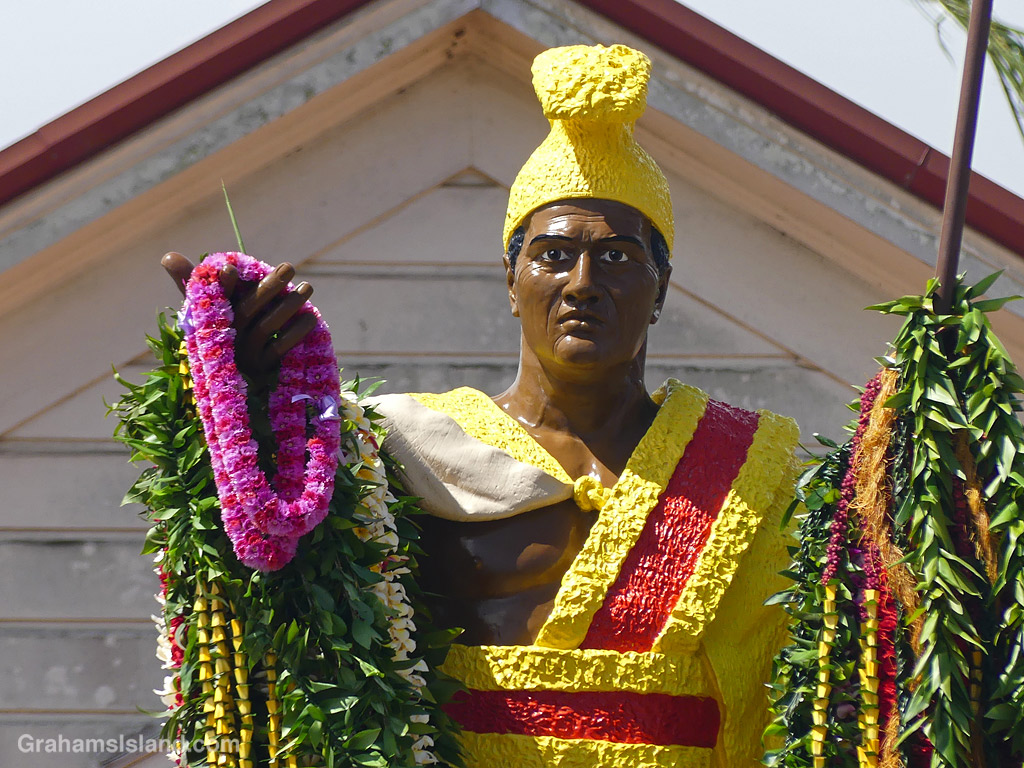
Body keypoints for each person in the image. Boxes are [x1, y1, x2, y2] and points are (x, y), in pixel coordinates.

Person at [164, 43, 800, 768]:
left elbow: (791, 683)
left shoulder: (746, 466)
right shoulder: (402, 449)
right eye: (554, 255)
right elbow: (287, 583)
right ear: (511, 279)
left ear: (661, 289)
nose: (583, 282)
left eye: (619, 256)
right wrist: (239, 396)